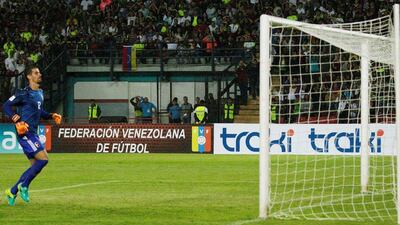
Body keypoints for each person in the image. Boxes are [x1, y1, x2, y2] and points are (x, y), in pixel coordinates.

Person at [2, 66, 62, 206]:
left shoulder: (40, 93)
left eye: (39, 72)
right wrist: (14, 117)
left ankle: (12, 191)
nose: (39, 74)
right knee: (43, 159)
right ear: (29, 77)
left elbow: (40, 112)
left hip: (33, 132)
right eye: (36, 73)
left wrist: (52, 115)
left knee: (35, 166)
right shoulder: (23, 93)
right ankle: (24, 186)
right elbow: (6, 106)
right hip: (25, 132)